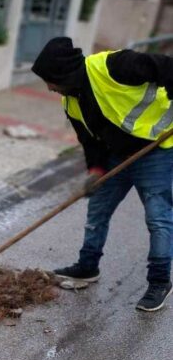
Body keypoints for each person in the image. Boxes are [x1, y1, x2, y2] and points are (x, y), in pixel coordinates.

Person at [31, 36, 173, 313]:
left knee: (158, 218)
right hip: (116, 156)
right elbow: (90, 140)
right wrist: (95, 170)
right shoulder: (71, 102)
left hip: (154, 151)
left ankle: (159, 281)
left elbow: (167, 67)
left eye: (50, 80)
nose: (49, 88)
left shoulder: (115, 65)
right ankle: (87, 266)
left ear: (65, 73)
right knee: (98, 210)